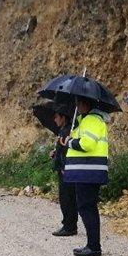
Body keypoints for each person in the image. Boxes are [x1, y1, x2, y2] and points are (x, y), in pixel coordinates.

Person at [62, 96, 110, 256]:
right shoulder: (87, 120)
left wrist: (70, 142)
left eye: (78, 103)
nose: (76, 106)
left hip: (88, 172)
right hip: (87, 171)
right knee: (87, 207)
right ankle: (92, 245)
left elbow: (86, 144)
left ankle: (94, 246)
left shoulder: (91, 120)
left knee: (87, 207)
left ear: (85, 104)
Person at [31, 101, 78, 236]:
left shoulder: (67, 131)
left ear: (63, 117)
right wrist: (55, 153)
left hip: (65, 170)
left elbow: (67, 151)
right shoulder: (64, 130)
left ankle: (69, 226)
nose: (54, 119)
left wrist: (63, 166)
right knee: (67, 198)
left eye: (57, 117)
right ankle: (69, 224)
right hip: (64, 168)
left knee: (66, 198)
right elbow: (63, 149)